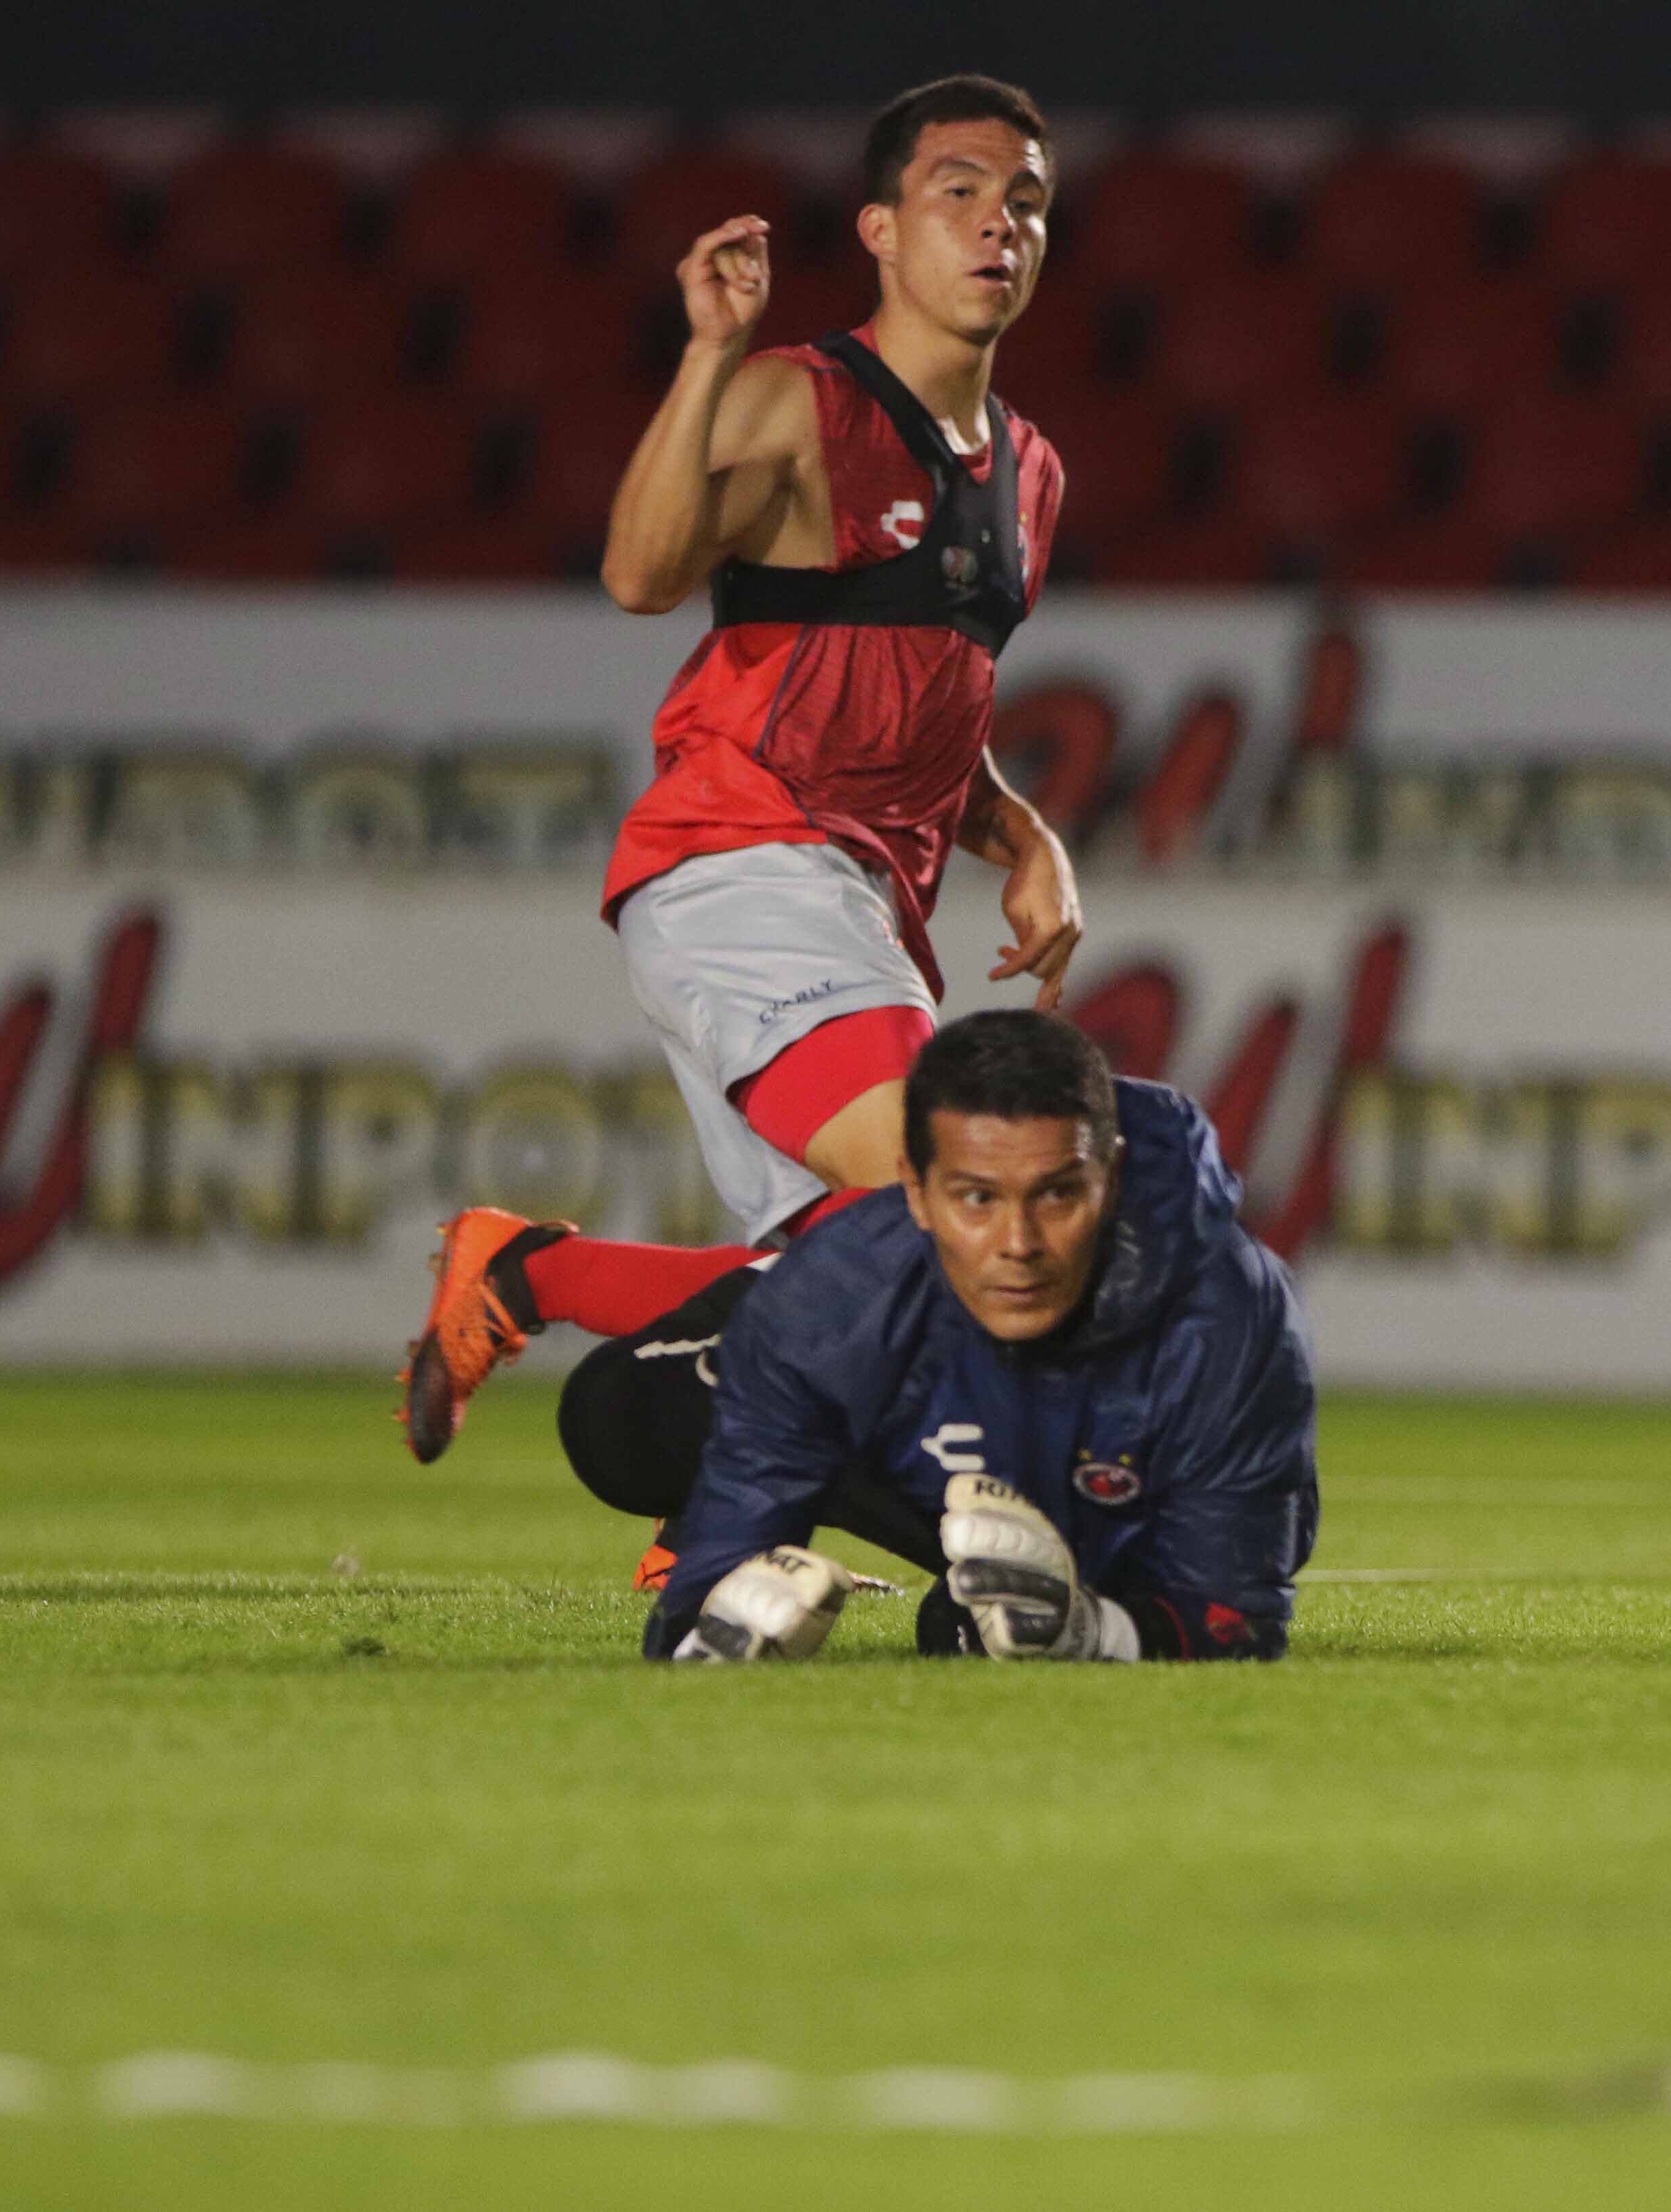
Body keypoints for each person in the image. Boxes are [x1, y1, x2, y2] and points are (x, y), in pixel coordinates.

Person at [402, 75, 1080, 1466]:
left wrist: (1025, 840)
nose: (996, 222)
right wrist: (710, 353)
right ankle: (652, 1426)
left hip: (859, 904)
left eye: (1024, 198)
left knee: (861, 1276)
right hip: (741, 858)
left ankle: (541, 1298)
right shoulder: (803, 401)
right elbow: (640, 574)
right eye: (957, 190)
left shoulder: (1029, 472)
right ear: (882, 229)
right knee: (948, 1200)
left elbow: (917, 707)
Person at [553, 1010, 1317, 1663]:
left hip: (1104, 1523)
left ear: (1108, 1181)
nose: (1017, 1242)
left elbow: (1231, 1608)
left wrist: (1094, 1630)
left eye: (1055, 1195)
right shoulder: (839, 1292)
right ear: (913, 1191)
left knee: (966, 1631)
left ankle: (990, 1595)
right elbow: (694, 1620)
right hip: (890, 1425)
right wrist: (716, 1632)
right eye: (975, 1198)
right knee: (613, 1416)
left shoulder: (1224, 1306)